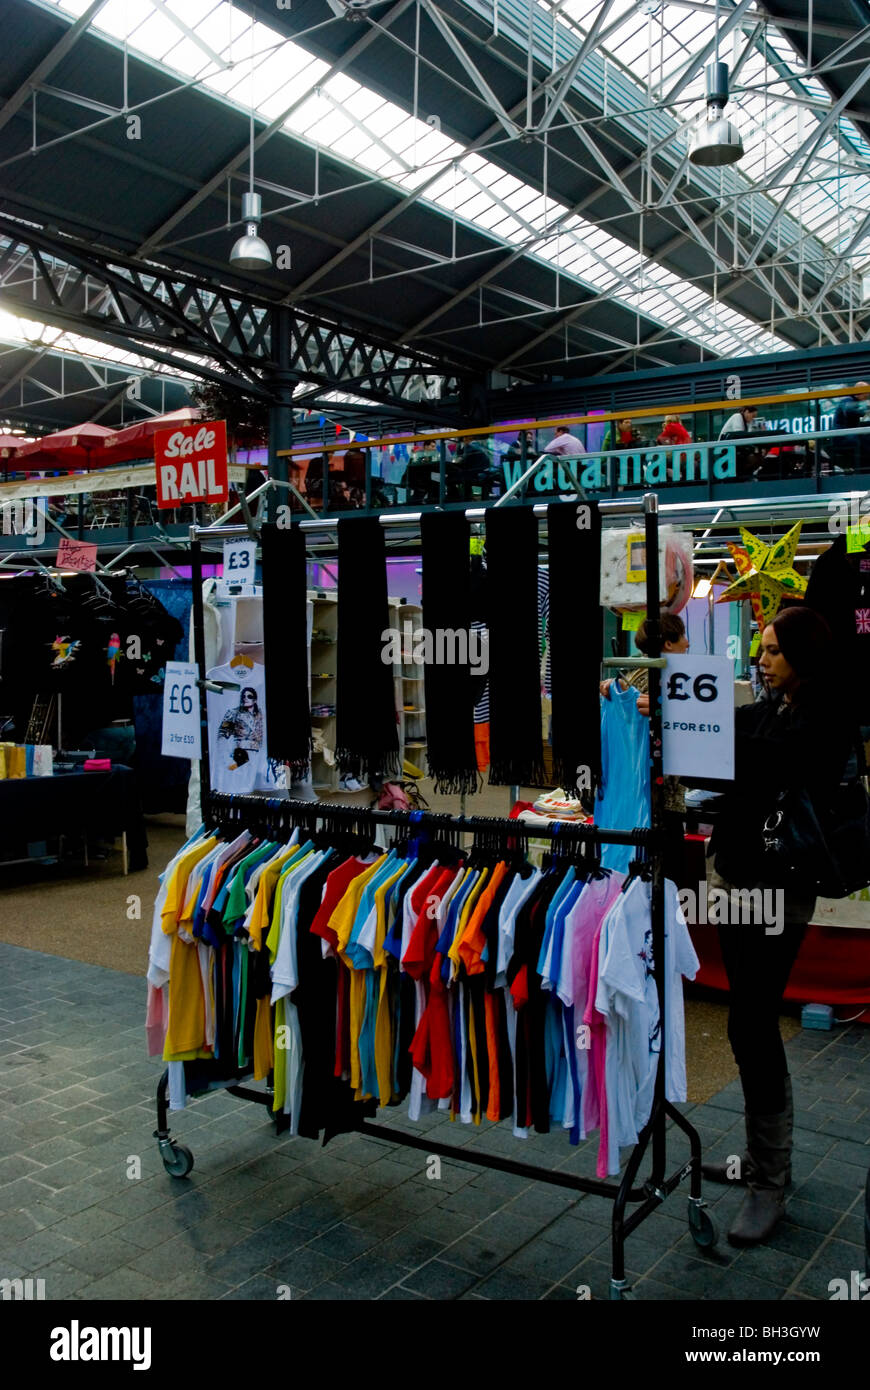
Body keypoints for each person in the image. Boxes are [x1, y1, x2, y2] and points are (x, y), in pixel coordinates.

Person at [701, 606, 854, 1247]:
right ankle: (763, 1165)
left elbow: (773, 760)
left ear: (802, 656)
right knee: (747, 1016)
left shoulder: (822, 721)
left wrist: (707, 729)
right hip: (736, 882)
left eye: (771, 651)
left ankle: (771, 1181)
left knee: (752, 1020)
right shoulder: (769, 710)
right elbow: (734, 740)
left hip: (781, 893)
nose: (761, 661)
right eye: (760, 650)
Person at [600, 613, 690, 882]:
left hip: (629, 794)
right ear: (669, 643)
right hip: (658, 798)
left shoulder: (629, 678)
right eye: (682, 636)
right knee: (665, 879)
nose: (687, 643)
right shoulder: (666, 679)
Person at [218, 686, 263, 770]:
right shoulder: (233, 713)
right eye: (243, 696)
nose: (245, 698)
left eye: (249, 696)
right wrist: (229, 762)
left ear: (255, 700)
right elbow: (222, 737)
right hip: (240, 757)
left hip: (258, 760)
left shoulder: (260, 714)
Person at [830, 382, 870, 472]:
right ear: (859, 393)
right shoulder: (847, 400)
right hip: (842, 437)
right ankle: (864, 470)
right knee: (866, 441)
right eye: (866, 394)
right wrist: (865, 410)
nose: (866, 397)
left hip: (848, 436)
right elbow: (849, 410)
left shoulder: (853, 402)